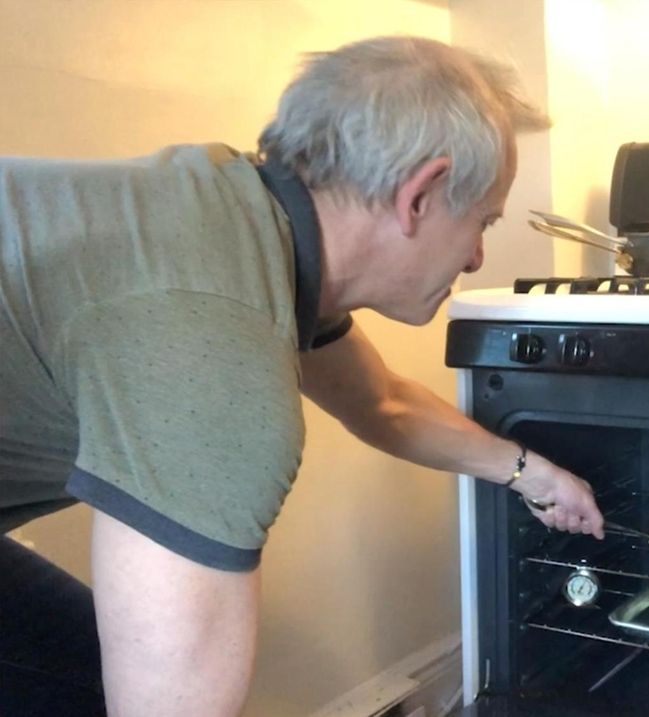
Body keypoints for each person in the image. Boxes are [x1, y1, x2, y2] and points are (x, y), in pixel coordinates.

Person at [0, 35, 604, 716]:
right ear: (422, 195)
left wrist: (535, 474)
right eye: (482, 222)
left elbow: (383, 403)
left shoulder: (234, 219)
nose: (476, 258)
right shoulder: (213, 354)